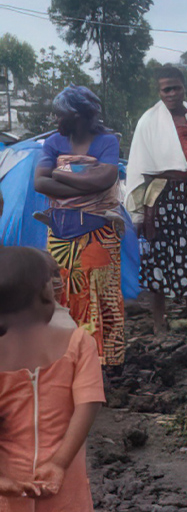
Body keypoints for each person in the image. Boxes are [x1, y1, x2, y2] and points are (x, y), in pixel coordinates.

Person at [0, 247, 106, 512]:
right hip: (60, 486)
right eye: (50, 287)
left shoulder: (78, 343)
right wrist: (59, 461)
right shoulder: (78, 342)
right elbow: (88, 403)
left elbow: (89, 401)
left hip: (17, 488)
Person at [32, 87, 128, 368]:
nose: (55, 119)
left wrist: (59, 174)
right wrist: (87, 175)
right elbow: (39, 183)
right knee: (61, 294)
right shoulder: (52, 143)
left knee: (102, 296)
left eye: (60, 114)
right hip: (60, 233)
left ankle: (103, 365)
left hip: (100, 234)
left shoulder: (107, 141)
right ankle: (67, 361)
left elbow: (106, 180)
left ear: (76, 116)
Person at [127, 65, 187, 343]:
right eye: (165, 89)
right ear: (159, 91)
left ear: (184, 87)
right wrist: (138, 212)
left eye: (175, 88)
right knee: (157, 260)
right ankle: (160, 326)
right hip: (161, 199)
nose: (171, 93)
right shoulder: (148, 122)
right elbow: (138, 169)